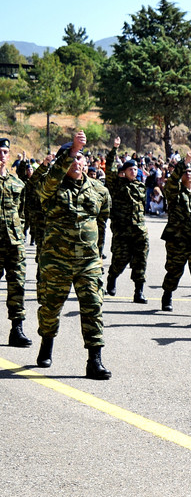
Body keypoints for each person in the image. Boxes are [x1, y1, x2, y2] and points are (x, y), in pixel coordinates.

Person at [34, 132, 112, 379]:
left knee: (93, 307)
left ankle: (94, 360)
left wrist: (96, 251)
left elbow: (103, 219)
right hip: (56, 260)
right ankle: (47, 343)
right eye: (71, 159)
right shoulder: (51, 188)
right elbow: (47, 183)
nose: (77, 162)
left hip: (88, 262)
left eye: (80, 157)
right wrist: (71, 150)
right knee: (50, 308)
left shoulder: (98, 190)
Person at [160, 151, 191, 318]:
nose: (188, 173)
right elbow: (172, 181)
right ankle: (167, 295)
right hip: (177, 240)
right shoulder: (174, 192)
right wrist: (184, 162)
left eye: (190, 170)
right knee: (174, 271)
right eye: (185, 171)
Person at [102, 138, 149, 305]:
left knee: (140, 261)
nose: (134, 172)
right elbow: (109, 167)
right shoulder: (116, 185)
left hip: (139, 231)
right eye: (130, 169)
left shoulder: (141, 187)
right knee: (120, 260)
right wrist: (114, 149)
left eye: (136, 169)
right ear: (124, 171)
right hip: (122, 232)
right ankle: (112, 278)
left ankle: (139, 292)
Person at [0, 137, 31, 347]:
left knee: (17, 286)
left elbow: (21, 213)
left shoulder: (16, 183)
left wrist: (19, 234)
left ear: (9, 156)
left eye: (4, 152)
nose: (1, 155)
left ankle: (16, 329)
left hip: (14, 243)